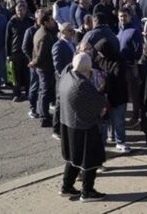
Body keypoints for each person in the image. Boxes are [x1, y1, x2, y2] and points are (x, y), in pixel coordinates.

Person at [58, 52, 107, 202]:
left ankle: (66, 187)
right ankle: (87, 192)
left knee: (73, 159)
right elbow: (101, 106)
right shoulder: (83, 85)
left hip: (68, 124)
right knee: (89, 161)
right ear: (87, 68)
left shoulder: (66, 76)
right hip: (84, 127)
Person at [30, 13, 58, 127]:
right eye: (51, 20)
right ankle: (44, 117)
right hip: (45, 68)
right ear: (45, 22)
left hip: (42, 67)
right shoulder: (45, 35)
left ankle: (43, 113)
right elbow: (41, 55)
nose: (53, 22)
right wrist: (33, 63)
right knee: (44, 92)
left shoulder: (39, 31)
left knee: (43, 91)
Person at [6, 1, 35, 101]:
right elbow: (7, 39)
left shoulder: (30, 21)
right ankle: (16, 94)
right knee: (15, 75)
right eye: (18, 10)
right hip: (15, 53)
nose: (20, 12)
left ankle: (28, 93)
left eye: (22, 10)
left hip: (27, 52)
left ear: (26, 10)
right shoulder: (11, 22)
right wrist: (8, 54)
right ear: (15, 10)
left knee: (27, 74)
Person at [52, 22, 76, 138]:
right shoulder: (58, 45)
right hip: (63, 78)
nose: (72, 32)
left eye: (72, 30)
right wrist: (66, 75)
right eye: (70, 30)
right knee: (59, 104)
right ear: (62, 32)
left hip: (72, 77)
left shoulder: (72, 43)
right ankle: (56, 130)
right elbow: (58, 66)